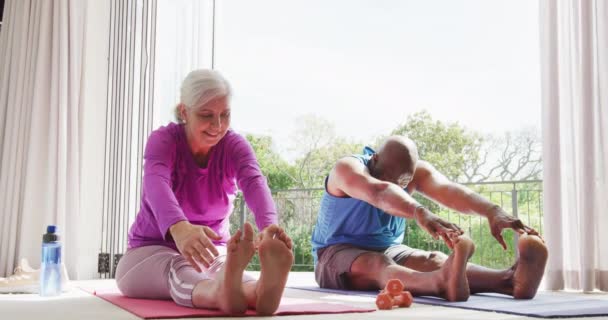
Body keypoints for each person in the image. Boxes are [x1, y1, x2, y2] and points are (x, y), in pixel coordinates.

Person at [115, 69, 294, 316]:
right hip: (154, 246)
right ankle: (234, 292)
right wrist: (180, 228)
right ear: (184, 112)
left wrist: (269, 228)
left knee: (215, 267)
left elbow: (254, 182)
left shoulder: (234, 145)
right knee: (182, 266)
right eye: (207, 115)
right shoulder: (163, 140)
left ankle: (253, 291)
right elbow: (155, 182)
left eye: (225, 115)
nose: (218, 126)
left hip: (212, 248)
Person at [311, 135, 548, 301]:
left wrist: (492, 210)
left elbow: (450, 190)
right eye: (390, 178)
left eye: (403, 183)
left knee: (435, 259)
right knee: (378, 264)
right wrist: (419, 212)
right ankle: (439, 284)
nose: (397, 186)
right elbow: (379, 192)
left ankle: (510, 281)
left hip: (388, 248)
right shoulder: (346, 168)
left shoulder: (415, 173)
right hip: (335, 254)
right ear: (374, 159)